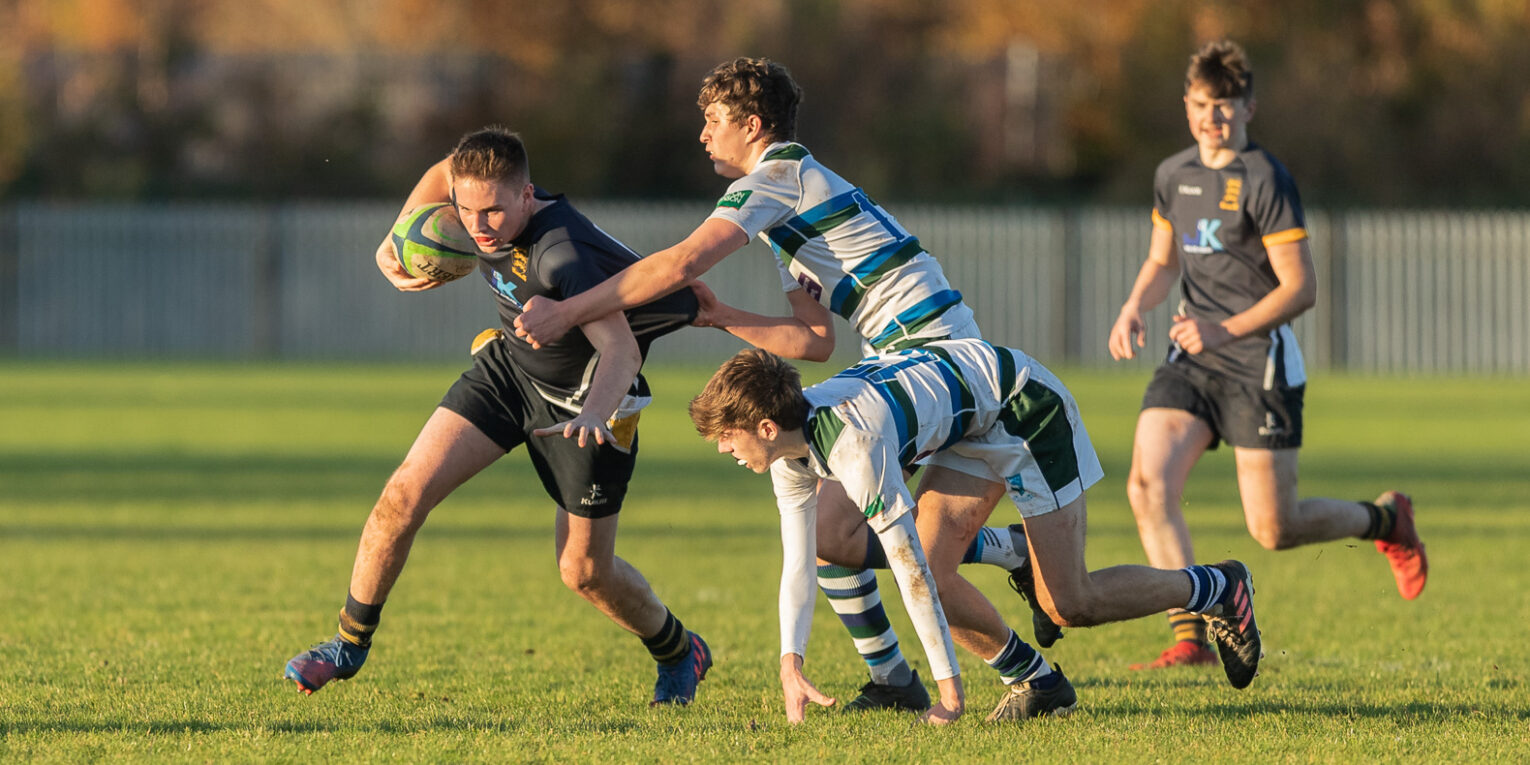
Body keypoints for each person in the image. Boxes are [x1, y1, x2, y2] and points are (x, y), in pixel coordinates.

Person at [514, 56, 1057, 714]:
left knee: (888, 543)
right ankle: (914, 665)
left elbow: (685, 259)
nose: (702, 135)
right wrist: (722, 316)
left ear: (752, 124)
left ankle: (976, 665)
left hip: (932, 356)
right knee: (835, 532)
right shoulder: (786, 209)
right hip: (903, 357)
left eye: (712, 121)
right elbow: (813, 341)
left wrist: (569, 310)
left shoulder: (776, 178)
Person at [282, 127, 713, 707]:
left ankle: (679, 650)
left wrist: (592, 415)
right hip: (510, 372)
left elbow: (623, 352)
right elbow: (443, 172)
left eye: (494, 211)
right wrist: (393, 240)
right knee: (401, 496)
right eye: (467, 208)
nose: (479, 225)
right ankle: (347, 646)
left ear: (527, 197)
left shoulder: (562, 254)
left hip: (587, 402)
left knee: (584, 572)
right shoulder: (467, 203)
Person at [690, 342, 1266, 723]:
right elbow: (797, 561)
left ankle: (1218, 587)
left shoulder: (853, 447)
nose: (723, 449)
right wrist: (791, 661)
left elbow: (907, 569)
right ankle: (1037, 684)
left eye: (727, 435)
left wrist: (948, 691)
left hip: (1024, 411)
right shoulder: (790, 451)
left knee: (1070, 603)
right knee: (939, 576)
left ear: (766, 425)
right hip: (971, 420)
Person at [1107, 40, 1427, 671]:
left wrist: (1224, 330)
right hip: (1192, 360)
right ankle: (1192, 637)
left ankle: (1386, 519)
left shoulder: (1265, 179)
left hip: (1259, 364)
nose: (1211, 119)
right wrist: (1133, 307)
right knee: (1147, 486)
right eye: (1201, 105)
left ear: (1249, 108)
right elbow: (1162, 259)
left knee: (1274, 530)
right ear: (1187, 105)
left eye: (1224, 107)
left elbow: (1300, 287)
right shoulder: (1173, 175)